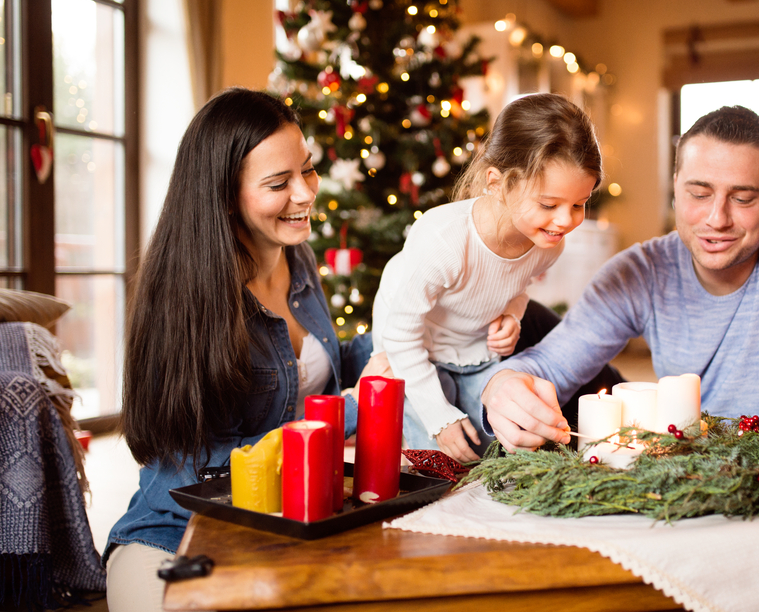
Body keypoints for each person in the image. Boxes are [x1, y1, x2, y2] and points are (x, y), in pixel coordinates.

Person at [479, 105, 759, 455]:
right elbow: (548, 365)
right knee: (533, 322)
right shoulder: (643, 270)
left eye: (743, 198)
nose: (717, 219)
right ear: (676, 188)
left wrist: (702, 432)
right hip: (682, 464)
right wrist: (502, 385)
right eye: (700, 194)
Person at [103, 88, 380, 612]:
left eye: (308, 170)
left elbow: (317, 368)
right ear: (225, 195)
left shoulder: (296, 261)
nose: (305, 194)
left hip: (293, 521)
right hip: (177, 535)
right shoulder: (187, 293)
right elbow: (207, 466)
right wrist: (348, 413)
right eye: (278, 183)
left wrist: (403, 332)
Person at [370, 93, 603, 462]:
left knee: (500, 446)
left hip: (473, 351)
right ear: (497, 183)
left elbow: (516, 286)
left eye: (579, 204)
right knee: (441, 458)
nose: (565, 221)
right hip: (408, 347)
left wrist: (512, 314)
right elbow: (400, 334)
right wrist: (437, 417)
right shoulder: (443, 240)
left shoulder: (548, 244)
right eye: (549, 204)